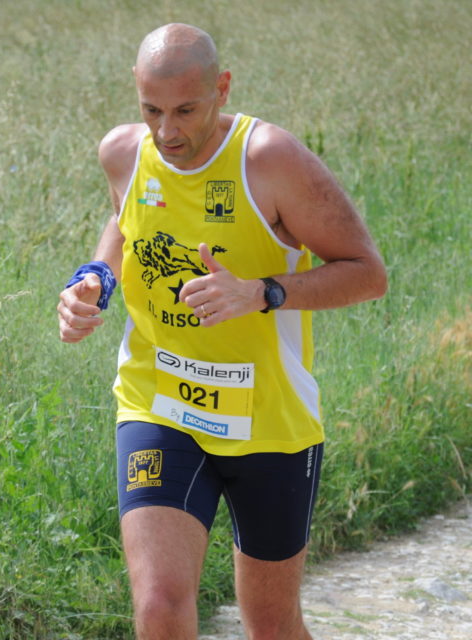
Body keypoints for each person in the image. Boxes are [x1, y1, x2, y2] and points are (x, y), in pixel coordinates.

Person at [57, 23, 387, 640]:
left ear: (222, 88)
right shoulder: (123, 152)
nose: (167, 132)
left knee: (272, 626)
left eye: (185, 110)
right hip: (159, 403)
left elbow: (368, 273)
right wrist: (94, 278)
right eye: (152, 110)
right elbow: (126, 221)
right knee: (160, 607)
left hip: (270, 421)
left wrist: (263, 292)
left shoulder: (269, 160)